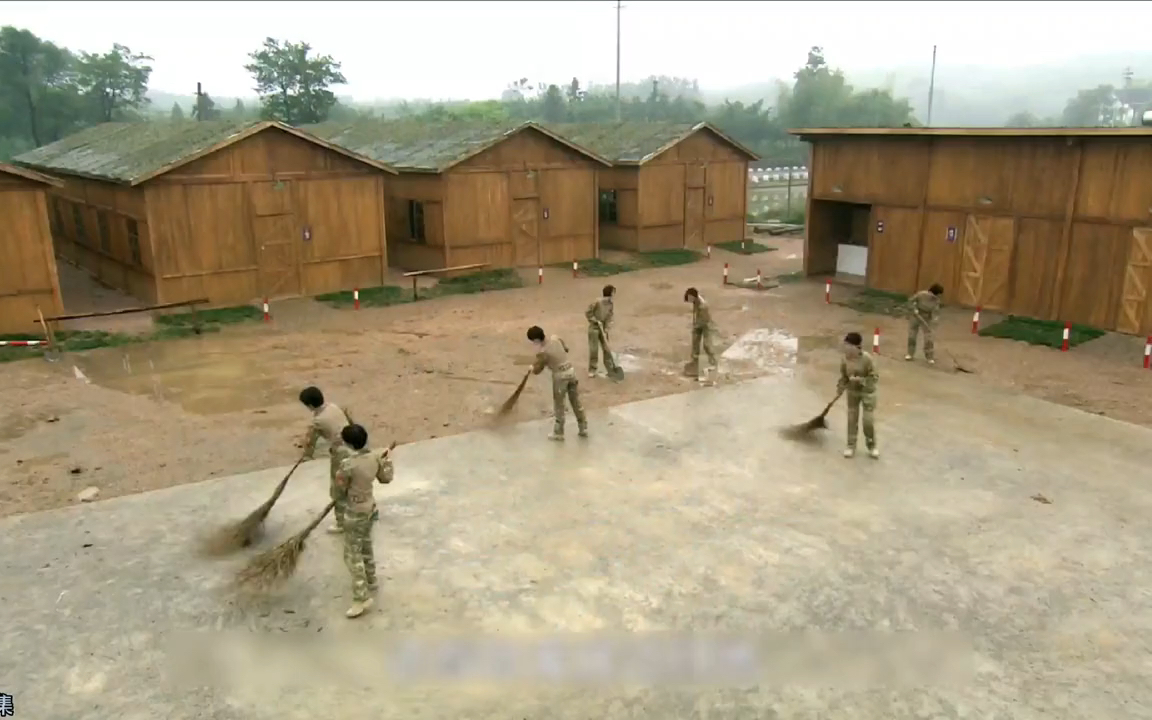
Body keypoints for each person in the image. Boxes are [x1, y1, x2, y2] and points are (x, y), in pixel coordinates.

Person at [332, 423, 394, 619]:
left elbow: (339, 491)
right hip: (370, 508)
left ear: (349, 443)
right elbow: (386, 479)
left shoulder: (347, 465)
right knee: (366, 545)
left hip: (355, 512)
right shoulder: (375, 457)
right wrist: (387, 462)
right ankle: (371, 579)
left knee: (352, 555)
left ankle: (361, 597)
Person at [297, 386, 364, 534]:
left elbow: (310, 442)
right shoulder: (333, 406)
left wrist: (306, 455)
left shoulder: (317, 421)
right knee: (358, 482)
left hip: (341, 454)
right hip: (354, 447)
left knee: (338, 488)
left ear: (309, 406)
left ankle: (341, 523)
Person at [528, 325, 588, 441]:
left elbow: (537, 370)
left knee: (559, 405)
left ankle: (558, 432)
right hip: (571, 371)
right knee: (575, 401)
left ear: (536, 340)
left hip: (560, 376)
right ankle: (583, 427)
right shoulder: (555, 338)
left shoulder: (543, 352)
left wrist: (532, 368)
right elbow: (566, 349)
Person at [837, 332, 879, 459]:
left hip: (867, 392)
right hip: (852, 392)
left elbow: (874, 377)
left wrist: (861, 380)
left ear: (856, 347)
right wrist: (840, 387)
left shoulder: (867, 359)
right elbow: (844, 376)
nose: (846, 348)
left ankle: (872, 446)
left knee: (868, 421)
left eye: (848, 345)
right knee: (851, 419)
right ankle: (851, 446)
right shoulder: (844, 359)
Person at [683, 288, 718, 380]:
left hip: (706, 325)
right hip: (699, 323)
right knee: (695, 343)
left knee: (707, 345)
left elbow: (704, 321)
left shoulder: (703, 306)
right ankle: (695, 362)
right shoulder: (696, 301)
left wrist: (695, 326)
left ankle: (713, 362)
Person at [906, 283, 944, 364]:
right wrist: (914, 309)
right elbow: (910, 301)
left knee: (929, 338)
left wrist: (934, 321)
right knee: (912, 335)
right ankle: (910, 354)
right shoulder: (921, 294)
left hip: (927, 318)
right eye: (938, 295)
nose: (938, 297)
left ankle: (929, 356)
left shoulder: (936, 300)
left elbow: (935, 312)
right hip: (916, 315)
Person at [585, 284, 616, 378]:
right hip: (594, 328)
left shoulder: (610, 304)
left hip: (603, 328)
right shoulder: (597, 302)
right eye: (613, 293)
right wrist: (594, 320)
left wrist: (607, 327)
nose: (614, 295)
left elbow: (610, 316)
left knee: (606, 349)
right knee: (594, 350)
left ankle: (610, 369)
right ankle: (592, 369)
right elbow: (588, 312)